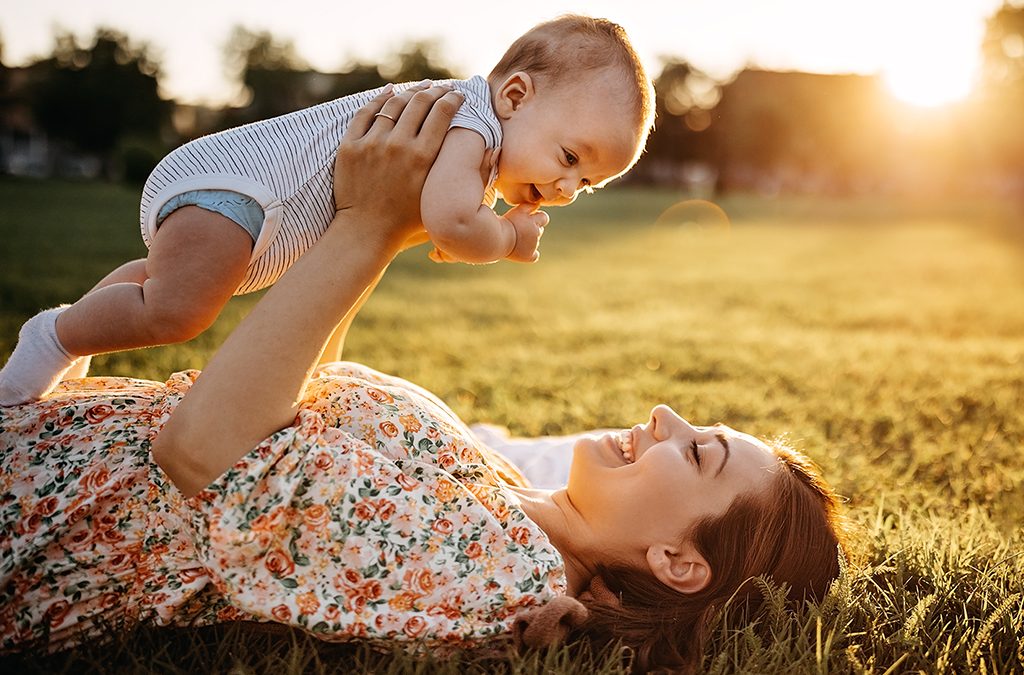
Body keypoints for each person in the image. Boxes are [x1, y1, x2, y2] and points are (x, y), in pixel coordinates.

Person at [0, 85, 847, 674]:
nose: (664, 413)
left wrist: (370, 225)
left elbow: (204, 458)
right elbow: (302, 411)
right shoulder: (511, 500)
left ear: (678, 562)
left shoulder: (495, 572)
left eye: (698, 454)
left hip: (34, 516)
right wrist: (386, 225)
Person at [0, 14, 655, 407]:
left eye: (589, 183)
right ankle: (54, 336)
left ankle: (84, 326)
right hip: (242, 188)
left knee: (163, 283)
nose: (568, 187)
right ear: (515, 94)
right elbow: (455, 226)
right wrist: (510, 237)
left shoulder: (476, 146)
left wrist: (485, 225)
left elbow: (443, 232)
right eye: (570, 156)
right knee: (181, 310)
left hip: (239, 202)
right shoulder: (471, 122)